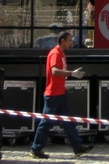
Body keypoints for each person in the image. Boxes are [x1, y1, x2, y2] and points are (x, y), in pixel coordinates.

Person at [30, 31, 93, 159]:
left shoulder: (60, 53)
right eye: (69, 40)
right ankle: (36, 148)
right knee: (46, 122)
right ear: (63, 41)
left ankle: (78, 147)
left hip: (59, 93)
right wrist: (72, 73)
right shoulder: (56, 54)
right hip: (54, 94)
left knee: (67, 121)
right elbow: (54, 71)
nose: (72, 43)